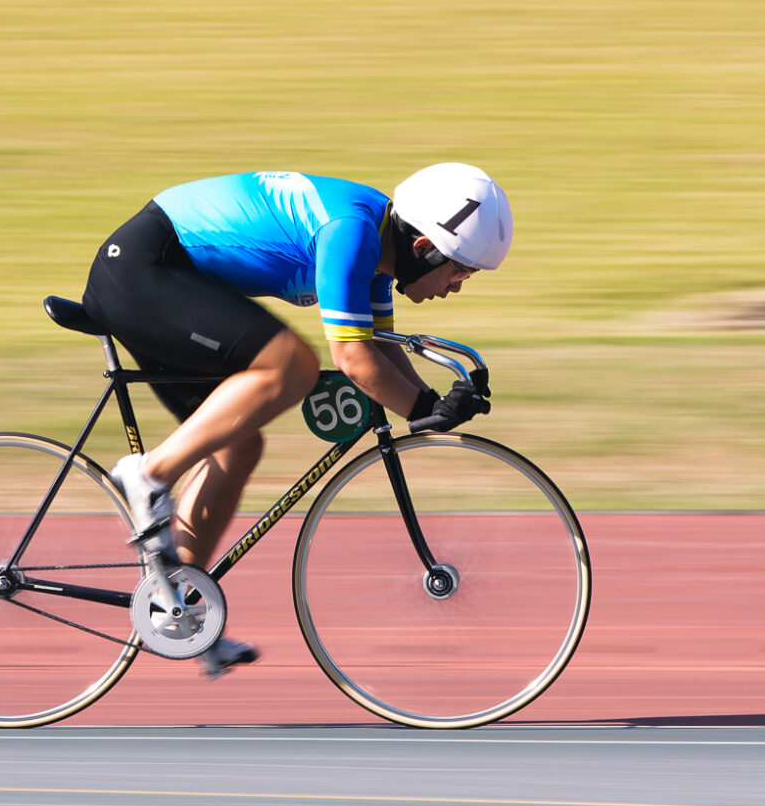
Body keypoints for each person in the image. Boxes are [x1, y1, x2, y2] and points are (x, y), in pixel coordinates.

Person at [79, 164, 512, 676]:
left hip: (159, 275)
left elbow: (378, 350)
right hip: (143, 268)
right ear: (423, 249)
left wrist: (435, 404)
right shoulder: (352, 233)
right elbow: (353, 359)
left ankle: (176, 609)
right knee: (293, 365)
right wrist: (422, 409)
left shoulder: (377, 251)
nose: (459, 287)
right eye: (461, 271)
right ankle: (147, 474)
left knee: (238, 444)